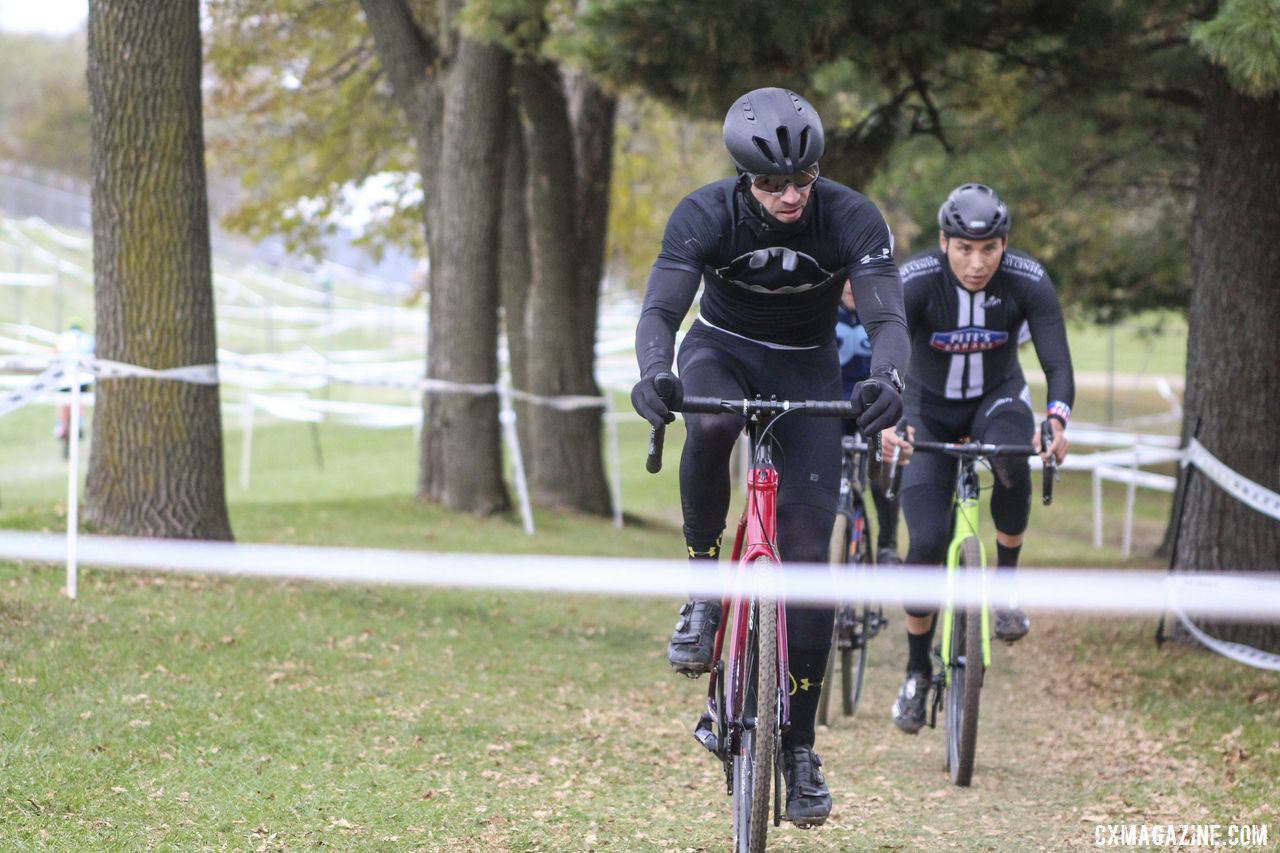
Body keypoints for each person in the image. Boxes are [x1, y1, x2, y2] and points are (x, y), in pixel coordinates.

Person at [630, 87, 910, 826]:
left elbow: (886, 315)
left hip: (807, 371)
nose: (790, 196)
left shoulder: (851, 216)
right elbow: (661, 310)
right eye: (772, 183)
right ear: (743, 177)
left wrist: (887, 379)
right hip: (721, 352)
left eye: (802, 180)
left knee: (812, 563)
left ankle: (801, 750)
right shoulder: (704, 213)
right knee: (714, 422)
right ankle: (703, 584)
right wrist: (656, 371)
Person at [882, 183, 1073, 735]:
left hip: (998, 400)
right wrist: (890, 418)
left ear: (1004, 244)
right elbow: (886, 351)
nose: (976, 261)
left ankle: (1006, 588)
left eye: (988, 248)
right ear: (944, 242)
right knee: (923, 541)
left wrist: (1057, 418)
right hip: (925, 408)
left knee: (1015, 457)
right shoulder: (916, 280)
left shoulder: (1028, 279)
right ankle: (917, 672)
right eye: (964, 248)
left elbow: (1058, 361)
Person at [835, 281, 902, 565]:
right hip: (830, 407)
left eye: (858, 275)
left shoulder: (886, 313)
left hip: (872, 407)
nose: (852, 284)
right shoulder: (822, 308)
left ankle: (887, 544)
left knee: (884, 461)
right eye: (846, 275)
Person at [53, 318, 94, 454]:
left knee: (64, 402)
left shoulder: (62, 338)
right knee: (79, 400)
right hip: (83, 378)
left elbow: (54, 355)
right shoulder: (88, 339)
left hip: (64, 377)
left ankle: (62, 425)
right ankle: (79, 422)